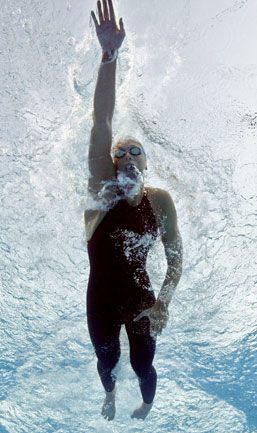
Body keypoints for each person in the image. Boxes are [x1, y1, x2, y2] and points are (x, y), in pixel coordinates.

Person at [85, 0, 183, 421]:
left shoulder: (160, 201)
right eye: (118, 153)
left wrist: (163, 303)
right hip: (101, 302)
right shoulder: (101, 192)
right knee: (107, 366)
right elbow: (101, 122)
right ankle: (109, 394)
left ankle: (144, 403)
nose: (124, 155)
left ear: (145, 163)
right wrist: (109, 57)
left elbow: (176, 256)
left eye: (134, 151)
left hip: (141, 299)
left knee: (144, 364)